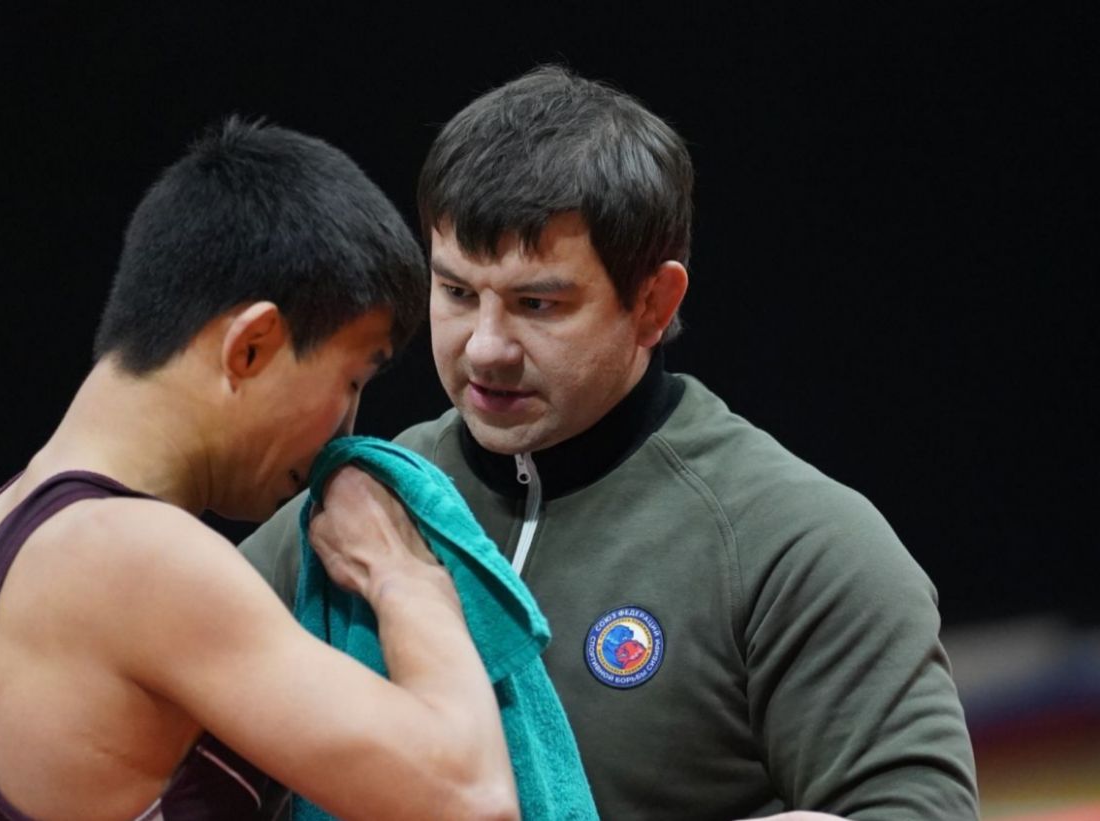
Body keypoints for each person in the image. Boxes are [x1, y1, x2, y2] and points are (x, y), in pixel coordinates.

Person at [240, 68, 980, 820]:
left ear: (654, 302)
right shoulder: (362, 504)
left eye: (538, 303)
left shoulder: (797, 545)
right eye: (457, 292)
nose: (485, 347)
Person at [0, 117, 520, 821]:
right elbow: (473, 800)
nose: (347, 430)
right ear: (251, 346)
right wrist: (404, 577)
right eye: (353, 378)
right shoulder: (135, 561)